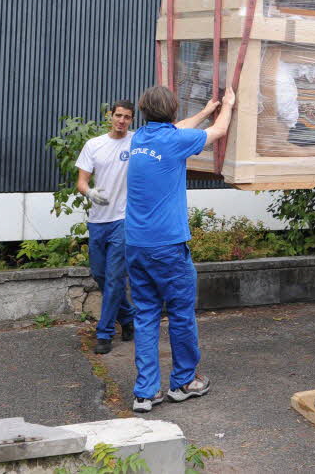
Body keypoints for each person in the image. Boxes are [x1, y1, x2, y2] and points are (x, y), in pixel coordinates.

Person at [125, 85, 235, 413]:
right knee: (180, 313)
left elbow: (181, 129)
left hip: (136, 244)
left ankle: (145, 393)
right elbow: (219, 131)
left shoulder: (140, 139)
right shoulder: (173, 142)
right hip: (167, 246)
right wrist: (226, 105)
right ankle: (184, 382)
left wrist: (204, 109)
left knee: (145, 315)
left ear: (145, 112)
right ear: (172, 110)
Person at [74, 100, 137, 355]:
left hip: (123, 219)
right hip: (98, 220)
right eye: (118, 116)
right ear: (110, 116)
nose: (122, 121)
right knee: (99, 275)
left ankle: (104, 334)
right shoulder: (94, 145)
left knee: (114, 278)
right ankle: (129, 317)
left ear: (132, 120)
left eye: (127, 117)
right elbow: (81, 182)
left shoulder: (136, 142)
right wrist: (90, 192)